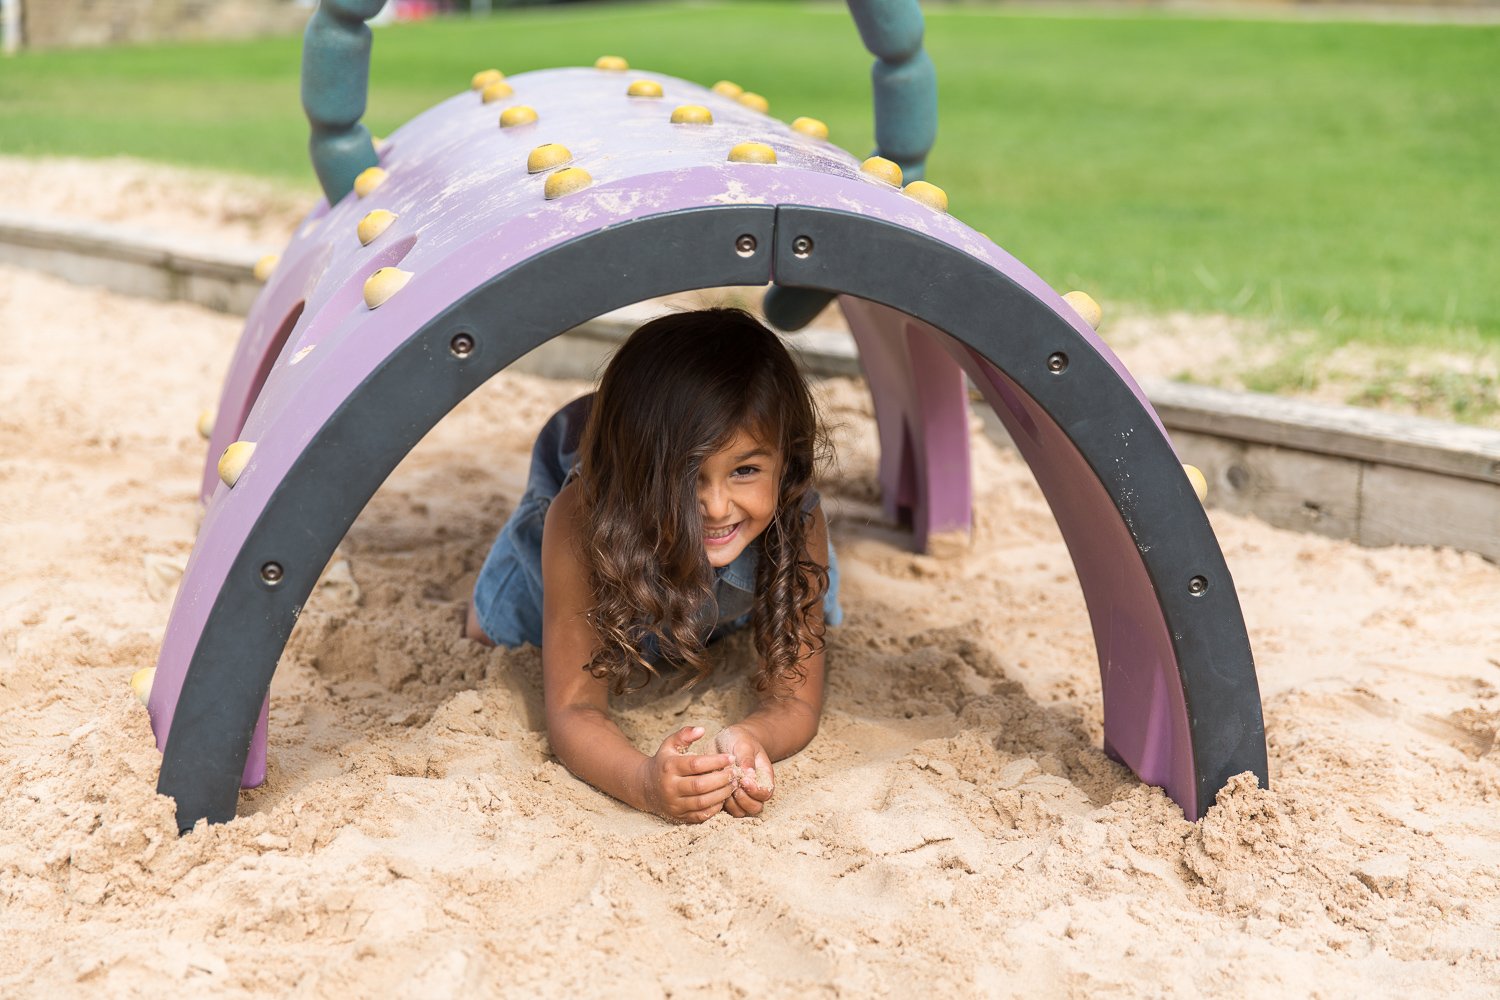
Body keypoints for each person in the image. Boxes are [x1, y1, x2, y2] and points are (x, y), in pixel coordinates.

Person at [465, 308, 842, 823]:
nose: (714, 505)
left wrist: (753, 738)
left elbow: (795, 700)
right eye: (687, 477)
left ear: (788, 459)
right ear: (637, 475)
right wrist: (644, 782)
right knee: (493, 630)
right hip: (616, 548)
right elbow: (575, 709)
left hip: (717, 586)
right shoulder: (581, 522)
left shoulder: (796, 519)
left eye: (746, 470)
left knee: (815, 608)